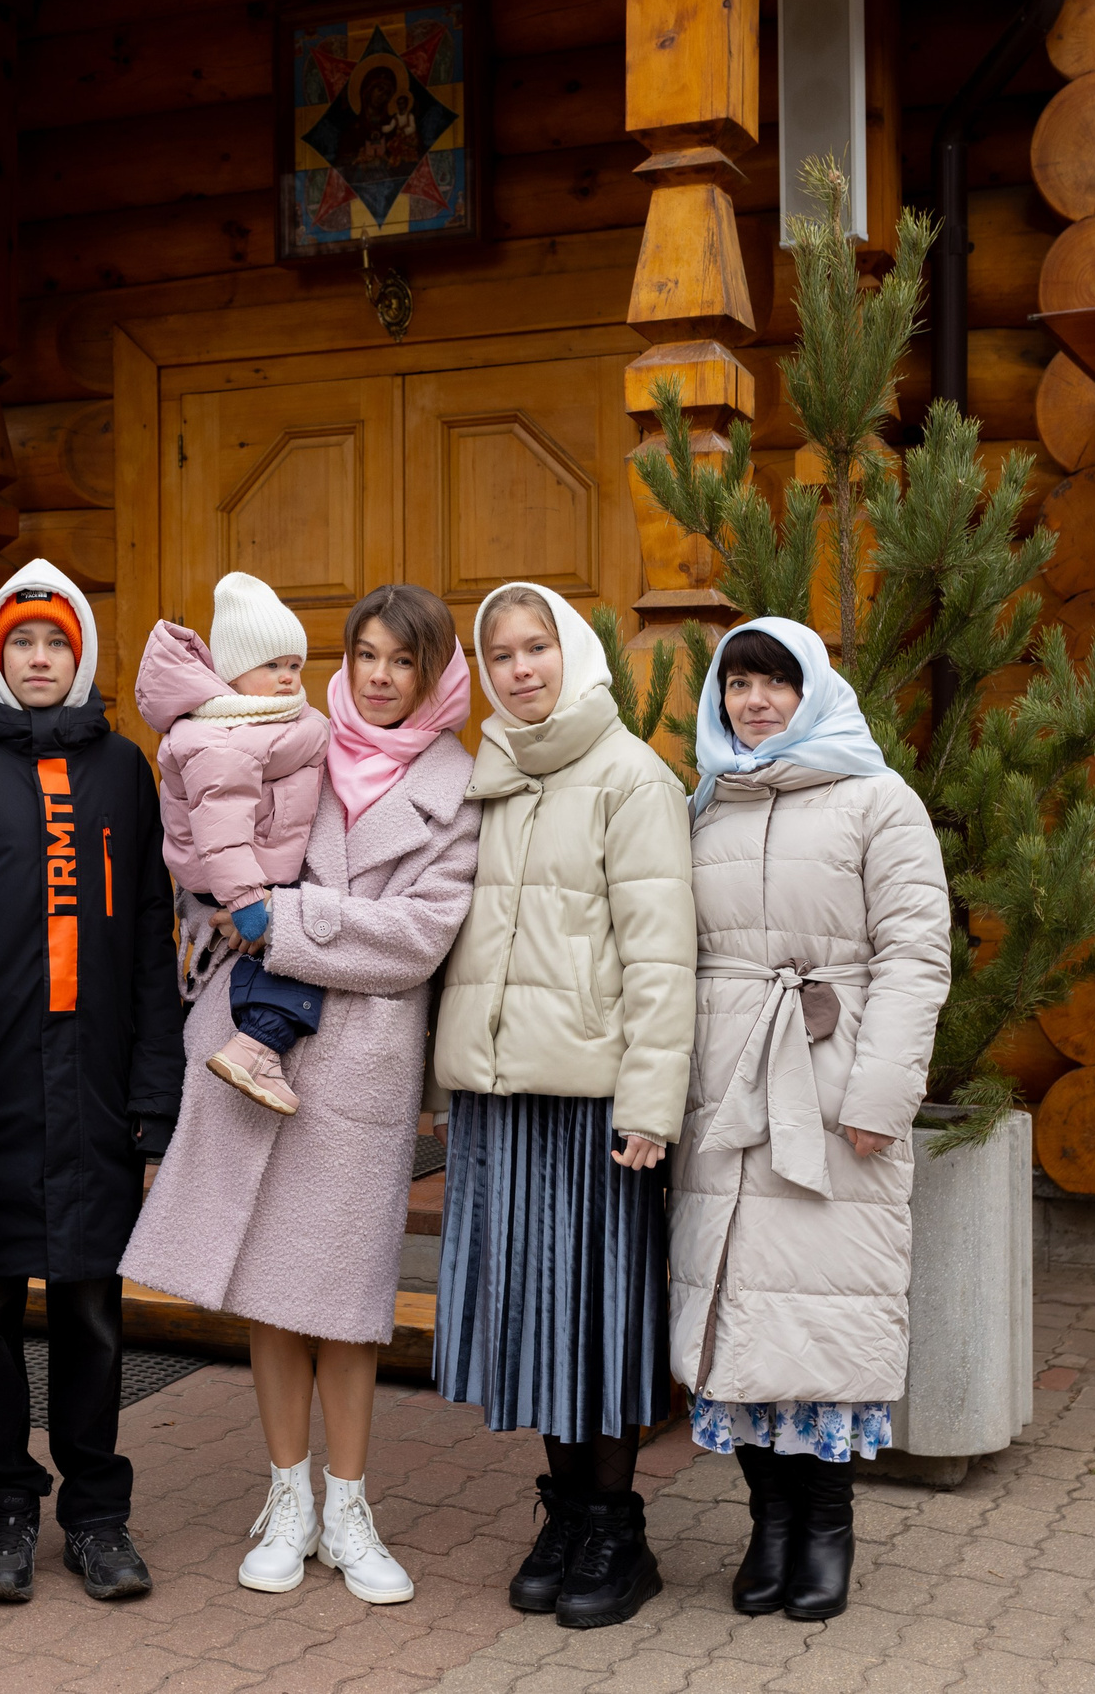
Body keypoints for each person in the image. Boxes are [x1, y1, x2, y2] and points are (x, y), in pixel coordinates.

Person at [121, 583, 481, 1608]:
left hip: (360, 1062)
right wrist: (238, 905)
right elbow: (206, 844)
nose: (376, 676)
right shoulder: (290, 738)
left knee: (349, 1305)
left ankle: (350, 1506)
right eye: (363, 654)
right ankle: (286, 1497)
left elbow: (420, 937)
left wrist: (281, 920)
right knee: (271, 1297)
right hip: (249, 1047)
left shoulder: (459, 786)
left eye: (399, 661)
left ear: (430, 673)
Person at [0, 558, 183, 1605]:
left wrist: (157, 1093)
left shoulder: (122, 772)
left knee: (94, 1312)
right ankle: (5, 1506)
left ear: (83, 654)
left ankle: (98, 1515)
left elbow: (152, 940)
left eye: (57, 642)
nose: (40, 658)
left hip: (97, 1093)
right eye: (21, 643)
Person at [670, 617, 951, 1623]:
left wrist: (880, 1095)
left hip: (833, 1097)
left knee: (824, 1312)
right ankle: (767, 1528)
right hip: (730, 1094)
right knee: (738, 1318)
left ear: (812, 690)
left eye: (773, 682)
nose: (754, 701)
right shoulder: (707, 807)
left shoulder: (879, 801)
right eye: (738, 683)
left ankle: (825, 1527)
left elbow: (916, 955)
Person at [430, 583, 693, 1630]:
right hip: (500, 1097)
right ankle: (566, 1510)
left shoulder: (632, 779)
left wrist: (650, 1104)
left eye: (536, 647)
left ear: (571, 654)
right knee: (529, 1316)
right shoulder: (487, 777)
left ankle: (616, 1527)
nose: (519, 668)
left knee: (595, 1314)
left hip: (593, 1101)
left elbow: (662, 958)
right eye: (499, 655)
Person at [133, 571, 333, 1114]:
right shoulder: (220, 737)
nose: (289, 677)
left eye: (294, 664)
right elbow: (219, 833)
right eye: (271, 666)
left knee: (286, 958)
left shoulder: (267, 720)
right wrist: (247, 903)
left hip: (256, 871)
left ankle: (257, 1047)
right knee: (286, 963)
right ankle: (257, 1048)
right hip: (231, 883)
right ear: (233, 673)